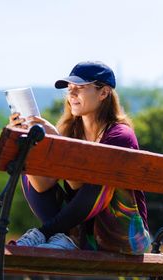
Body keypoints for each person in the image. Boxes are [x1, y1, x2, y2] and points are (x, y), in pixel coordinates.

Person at [8, 61, 150, 255]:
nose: (72, 94)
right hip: (83, 234)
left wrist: (58, 143)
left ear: (104, 93)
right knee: (31, 170)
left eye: (80, 88)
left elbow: (88, 187)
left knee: (101, 179)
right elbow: (43, 187)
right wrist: (29, 141)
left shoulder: (120, 136)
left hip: (123, 237)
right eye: (70, 89)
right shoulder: (71, 132)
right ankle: (68, 238)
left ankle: (45, 233)